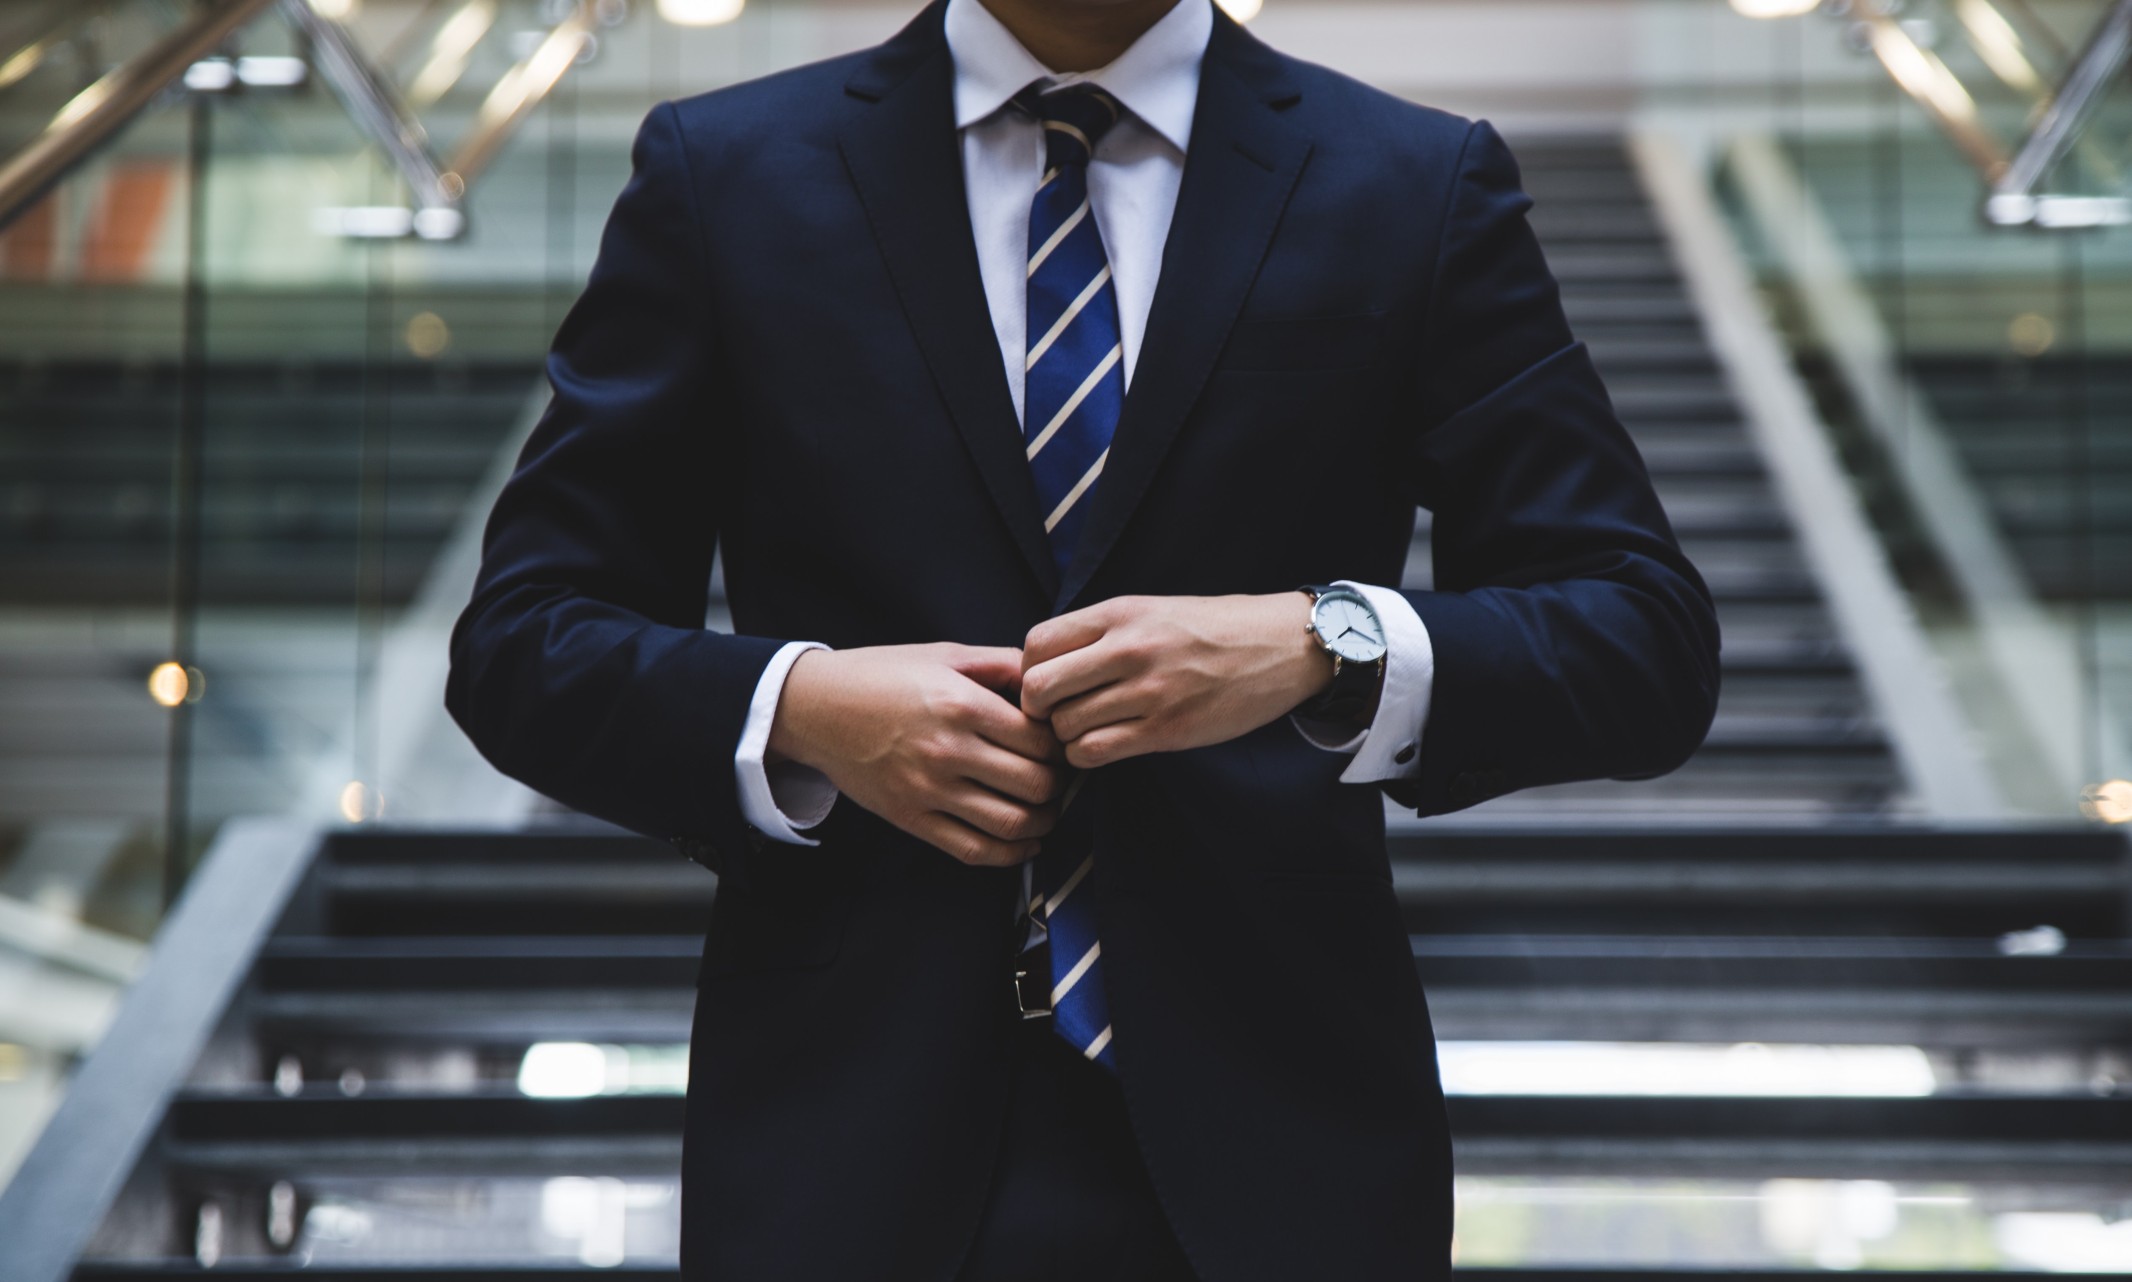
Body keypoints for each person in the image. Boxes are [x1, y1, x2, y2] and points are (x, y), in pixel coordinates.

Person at [445, 0, 1720, 1274]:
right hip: (838, 1138)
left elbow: (1639, 635)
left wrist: (1327, 641)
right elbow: (521, 641)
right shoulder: (724, 172)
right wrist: (803, 709)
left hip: (1284, 1147)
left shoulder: (1409, 181)